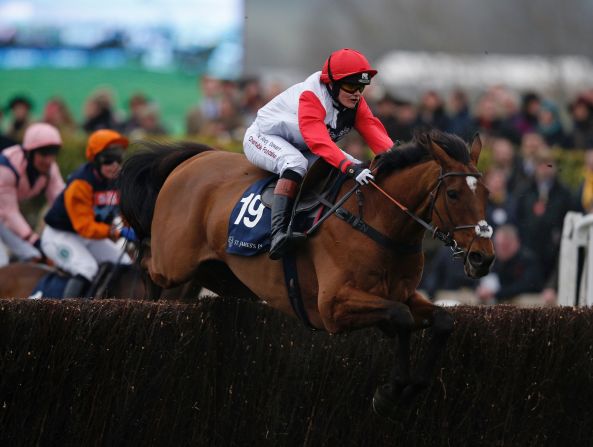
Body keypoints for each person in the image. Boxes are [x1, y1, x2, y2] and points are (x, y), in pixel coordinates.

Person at [243, 48, 394, 259]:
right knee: (296, 163)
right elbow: (319, 142)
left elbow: (375, 133)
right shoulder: (311, 96)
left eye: (361, 86)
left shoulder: (354, 101)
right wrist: (350, 167)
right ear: (331, 84)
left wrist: (398, 159)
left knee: (357, 164)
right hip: (262, 137)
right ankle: (277, 233)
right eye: (351, 86)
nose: (357, 93)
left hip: (301, 144)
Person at [41, 129, 135, 298]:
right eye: (108, 159)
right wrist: (116, 231)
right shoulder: (81, 183)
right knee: (87, 268)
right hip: (60, 235)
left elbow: (124, 213)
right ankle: (69, 318)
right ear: (95, 160)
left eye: (118, 158)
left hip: (89, 237)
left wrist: (133, 228)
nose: (114, 165)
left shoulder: (118, 181)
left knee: (126, 263)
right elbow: (84, 226)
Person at [0, 122, 65, 262]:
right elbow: (9, 213)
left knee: (33, 256)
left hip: (3, 216)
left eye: (53, 153)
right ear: (29, 152)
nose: (49, 159)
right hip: (4, 214)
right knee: (1, 262)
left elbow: (61, 202)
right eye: (44, 153)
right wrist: (34, 239)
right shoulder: (6, 166)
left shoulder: (50, 168)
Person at [476, 224, 544, 304]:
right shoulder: (493, 260)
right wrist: (481, 289)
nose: (501, 250)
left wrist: (496, 293)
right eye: (498, 245)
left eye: (505, 246)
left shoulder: (528, 260)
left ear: (516, 243)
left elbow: (526, 286)